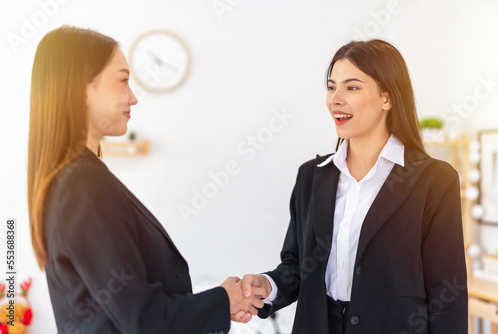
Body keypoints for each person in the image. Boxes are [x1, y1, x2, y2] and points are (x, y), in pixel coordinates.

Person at [28, 26, 265, 333]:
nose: (133, 98)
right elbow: (144, 320)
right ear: (82, 89)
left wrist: (220, 301)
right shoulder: (83, 185)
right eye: (124, 80)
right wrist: (223, 300)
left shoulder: (77, 179)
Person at [237, 39, 468, 333]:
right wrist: (266, 285)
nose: (335, 98)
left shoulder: (434, 181)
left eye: (352, 87)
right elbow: (297, 266)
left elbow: (448, 295)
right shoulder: (311, 176)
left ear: (387, 97)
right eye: (332, 87)